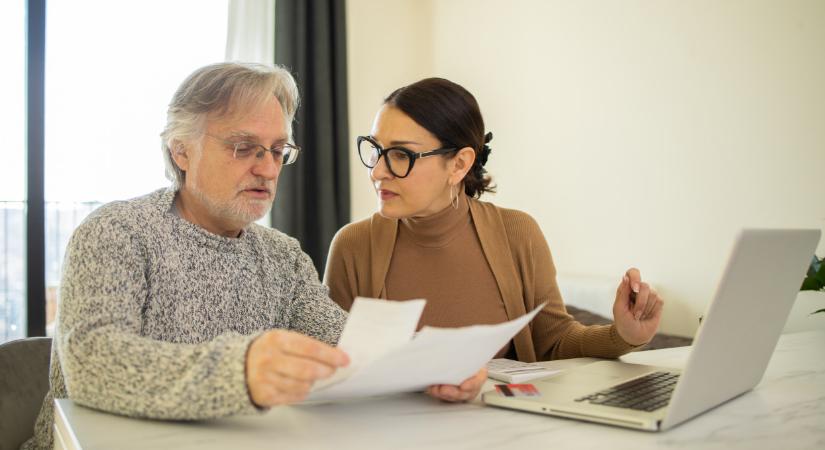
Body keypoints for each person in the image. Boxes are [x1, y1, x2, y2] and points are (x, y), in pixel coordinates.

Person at [23, 64, 484, 450]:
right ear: (180, 150)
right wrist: (241, 372)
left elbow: (346, 345)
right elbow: (93, 365)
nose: (266, 168)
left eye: (278, 150)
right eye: (244, 147)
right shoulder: (116, 232)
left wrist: (429, 366)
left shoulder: (282, 258)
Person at [324, 77, 664, 363]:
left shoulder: (518, 234)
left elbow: (554, 340)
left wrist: (622, 335)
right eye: (375, 149)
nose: (378, 172)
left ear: (459, 165)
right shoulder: (353, 247)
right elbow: (332, 363)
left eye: (401, 155)